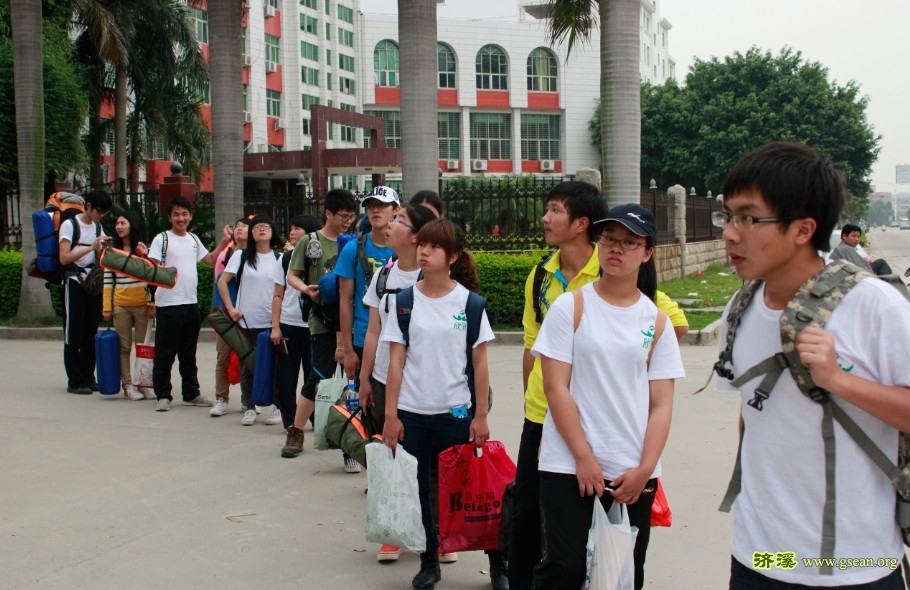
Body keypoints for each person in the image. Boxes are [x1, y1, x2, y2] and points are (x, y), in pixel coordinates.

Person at [714, 142, 910, 588]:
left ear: (803, 229)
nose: (730, 233)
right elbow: (753, 417)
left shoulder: (874, 305)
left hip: (856, 565)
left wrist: (839, 380)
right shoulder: (740, 307)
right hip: (759, 556)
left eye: (747, 217)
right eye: (727, 216)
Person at [508, 181, 688, 590]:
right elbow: (555, 387)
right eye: (609, 239)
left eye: (629, 241)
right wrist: (583, 458)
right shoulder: (570, 307)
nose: (616, 248)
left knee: (622, 571)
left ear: (647, 253)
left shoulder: (655, 321)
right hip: (568, 464)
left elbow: (661, 404)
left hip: (632, 468)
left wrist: (645, 469)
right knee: (564, 568)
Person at [380, 218, 507, 590]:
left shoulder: (469, 303)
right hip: (412, 414)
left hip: (457, 412)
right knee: (420, 488)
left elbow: (480, 361)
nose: (424, 251)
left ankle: (498, 562)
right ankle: (429, 562)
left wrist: (479, 414)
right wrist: (391, 415)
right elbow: (396, 361)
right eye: (422, 244)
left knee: (471, 491)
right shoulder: (403, 302)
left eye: (434, 247)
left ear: (451, 257)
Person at [358, 204, 440, 563]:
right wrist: (362, 377)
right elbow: (374, 329)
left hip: (422, 382)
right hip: (382, 377)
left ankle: (433, 534)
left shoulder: (431, 279)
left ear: (418, 237)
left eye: (398, 221)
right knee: (392, 454)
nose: (389, 226)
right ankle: (393, 531)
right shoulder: (383, 277)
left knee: (429, 462)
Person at [281, 188, 357, 457]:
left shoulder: (354, 243)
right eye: (342, 216)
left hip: (351, 319)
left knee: (354, 381)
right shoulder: (310, 242)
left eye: (350, 217)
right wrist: (305, 289)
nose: (347, 221)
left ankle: (350, 437)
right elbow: (293, 275)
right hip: (322, 319)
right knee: (319, 376)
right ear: (328, 213)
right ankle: (296, 432)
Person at [148, 196, 233, 412]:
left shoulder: (194, 239)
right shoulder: (162, 239)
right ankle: (163, 395)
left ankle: (191, 394)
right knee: (165, 353)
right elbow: (152, 267)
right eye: (176, 214)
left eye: (184, 214)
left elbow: (211, 261)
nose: (180, 218)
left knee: (188, 352)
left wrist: (224, 241)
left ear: (190, 216)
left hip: (190, 303)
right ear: (170, 217)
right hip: (167, 304)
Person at [336, 185, 400, 473]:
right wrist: (346, 347)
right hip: (366, 337)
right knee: (367, 403)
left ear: (395, 211)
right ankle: (371, 464)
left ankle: (397, 467)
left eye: (383, 205)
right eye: (371, 205)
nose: (376, 210)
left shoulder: (406, 248)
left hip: (399, 340)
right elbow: (345, 299)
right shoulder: (354, 248)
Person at [217, 214, 284, 426]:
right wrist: (231, 308)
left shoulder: (280, 258)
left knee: (276, 365)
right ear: (251, 232)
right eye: (257, 227)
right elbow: (222, 282)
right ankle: (249, 406)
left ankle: (278, 407)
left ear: (273, 231)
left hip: (272, 321)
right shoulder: (241, 256)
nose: (262, 229)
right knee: (247, 365)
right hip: (246, 320)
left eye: (266, 226)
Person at [58, 189, 112, 395]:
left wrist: (102, 248)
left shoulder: (99, 227)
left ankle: (89, 377)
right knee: (74, 331)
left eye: (104, 212)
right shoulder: (70, 225)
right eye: (99, 211)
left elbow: (100, 257)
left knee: (90, 331)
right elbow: (63, 258)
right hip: (74, 281)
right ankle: (75, 379)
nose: (101, 215)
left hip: (93, 283)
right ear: (88, 206)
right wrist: (90, 248)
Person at [270, 214, 321, 430]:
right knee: (286, 377)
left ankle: (316, 419)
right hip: (289, 324)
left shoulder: (321, 256)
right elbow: (277, 294)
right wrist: (275, 326)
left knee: (315, 377)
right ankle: (290, 420)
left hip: (315, 326)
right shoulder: (285, 259)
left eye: (297, 228)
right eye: (291, 228)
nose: (292, 232)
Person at [102, 210, 156, 400]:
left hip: (142, 305)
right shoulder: (111, 253)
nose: (119, 227)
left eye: (123, 223)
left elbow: (151, 278)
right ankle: (128, 385)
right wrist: (107, 308)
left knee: (144, 347)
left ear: (133, 224)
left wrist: (151, 304)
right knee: (124, 348)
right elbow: (108, 281)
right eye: (117, 223)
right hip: (120, 306)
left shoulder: (143, 250)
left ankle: (144, 384)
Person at [209, 218, 250, 417]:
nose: (240, 229)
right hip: (227, 312)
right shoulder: (226, 256)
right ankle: (221, 398)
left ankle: (247, 400)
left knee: (247, 357)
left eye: (244, 226)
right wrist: (225, 309)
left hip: (249, 314)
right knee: (223, 357)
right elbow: (220, 284)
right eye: (238, 226)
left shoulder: (258, 255)